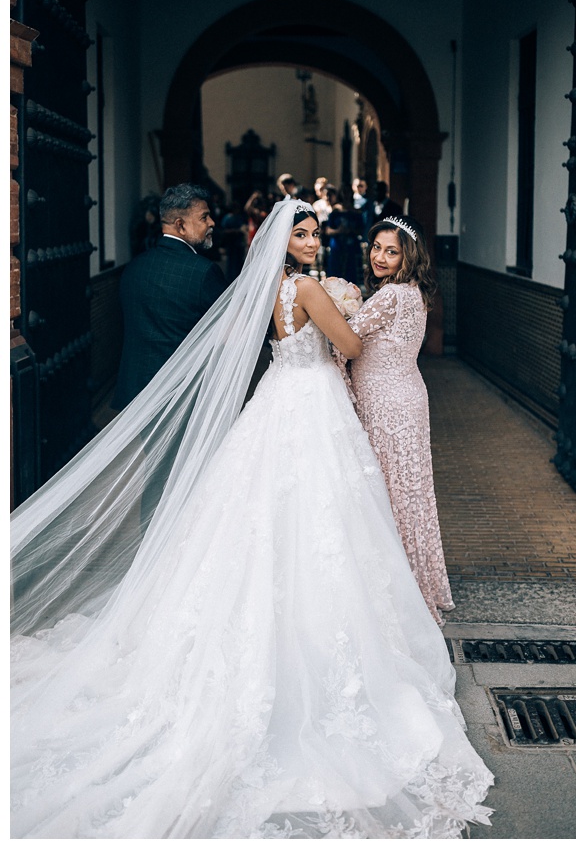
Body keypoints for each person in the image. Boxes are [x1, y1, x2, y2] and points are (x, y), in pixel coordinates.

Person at [11, 200, 494, 838]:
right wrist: (346, 309)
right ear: (283, 243)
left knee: (256, 514)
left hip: (276, 402)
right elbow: (348, 346)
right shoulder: (313, 289)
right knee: (323, 518)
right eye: (303, 233)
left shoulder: (267, 286)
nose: (314, 240)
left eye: (317, 232)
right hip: (315, 405)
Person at [346, 215, 453, 623]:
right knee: (407, 496)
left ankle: (397, 596)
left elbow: (348, 340)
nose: (380, 256)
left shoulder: (390, 297)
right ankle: (413, 588)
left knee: (387, 496)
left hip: (386, 403)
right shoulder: (413, 293)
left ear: (408, 256)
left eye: (391, 251)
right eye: (376, 247)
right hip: (407, 397)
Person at [113, 183, 227, 410]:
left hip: (137, 394)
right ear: (180, 225)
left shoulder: (133, 268)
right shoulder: (203, 272)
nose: (212, 223)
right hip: (181, 396)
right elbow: (226, 333)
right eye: (204, 217)